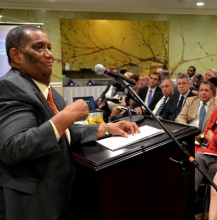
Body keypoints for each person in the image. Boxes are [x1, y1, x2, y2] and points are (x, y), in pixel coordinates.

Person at [0, 25, 139, 220]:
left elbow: (64, 133)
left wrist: (107, 128)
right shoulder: (11, 87)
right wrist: (66, 116)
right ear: (16, 55)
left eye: (49, 47)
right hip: (32, 204)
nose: (49, 54)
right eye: (39, 48)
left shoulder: (47, 91)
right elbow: (13, 148)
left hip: (58, 196)